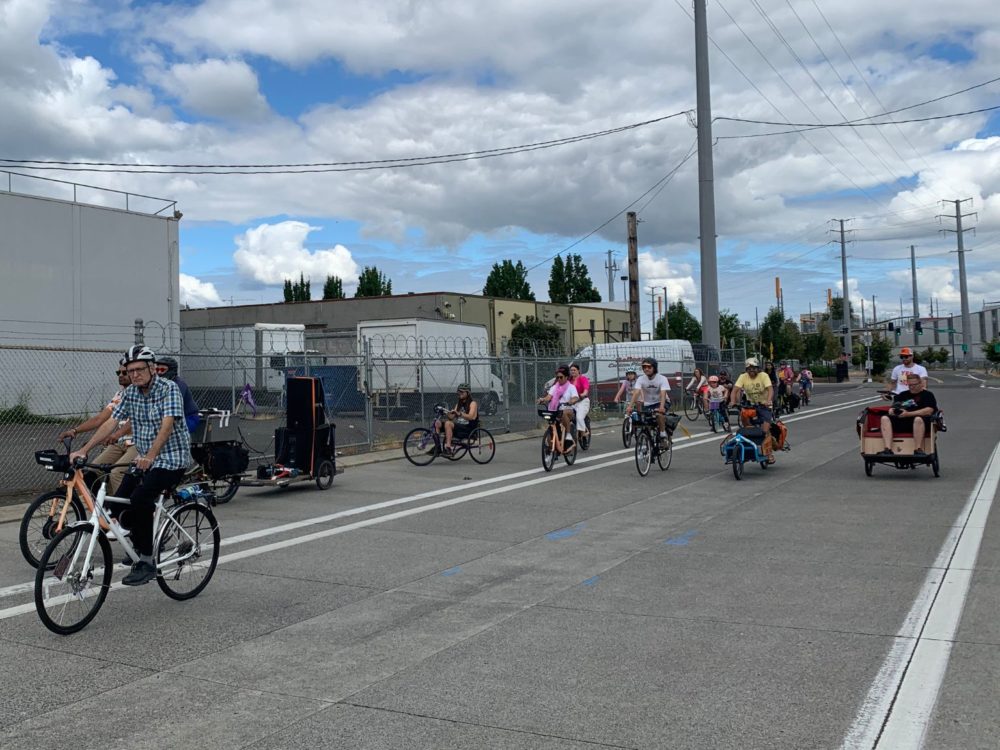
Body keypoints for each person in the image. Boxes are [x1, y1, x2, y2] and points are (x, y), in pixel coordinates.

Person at [72, 345, 192, 587]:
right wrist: (85, 449)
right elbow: (111, 423)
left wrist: (150, 455)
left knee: (140, 498)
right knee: (117, 504)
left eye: (139, 369)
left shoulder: (169, 390)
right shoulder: (131, 394)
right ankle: (138, 538)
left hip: (171, 458)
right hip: (143, 460)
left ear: (151, 368)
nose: (134, 375)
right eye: (130, 371)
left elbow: (166, 427)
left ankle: (146, 561)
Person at [58, 358, 137, 494]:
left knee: (117, 473)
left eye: (125, 372)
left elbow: (134, 423)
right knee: (93, 471)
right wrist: (75, 430)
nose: (121, 376)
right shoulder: (120, 395)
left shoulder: (137, 392)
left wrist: (104, 439)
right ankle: (105, 507)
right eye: (118, 373)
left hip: (137, 441)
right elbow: (101, 419)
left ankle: (124, 511)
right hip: (120, 441)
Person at [878, 373, 938, 456]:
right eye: (909, 385)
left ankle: (918, 449)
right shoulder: (902, 395)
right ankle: (887, 449)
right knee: (884, 418)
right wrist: (892, 410)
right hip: (903, 421)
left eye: (914, 384)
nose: (912, 387)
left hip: (921, 423)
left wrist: (909, 414)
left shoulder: (927, 395)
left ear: (920, 384)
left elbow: (929, 410)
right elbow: (894, 406)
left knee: (918, 419)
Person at [730, 357, 776, 463]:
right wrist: (733, 401)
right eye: (749, 368)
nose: (751, 370)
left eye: (754, 368)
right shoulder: (743, 376)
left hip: (764, 405)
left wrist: (768, 401)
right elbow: (735, 390)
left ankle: (769, 454)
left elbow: (770, 389)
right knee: (748, 428)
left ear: (758, 368)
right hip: (750, 405)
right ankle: (749, 448)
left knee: (765, 431)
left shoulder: (763, 376)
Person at [626, 357, 672, 445]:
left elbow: (663, 394)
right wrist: (630, 407)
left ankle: (663, 435)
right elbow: (636, 393)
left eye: (649, 367)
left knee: (659, 415)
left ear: (654, 367)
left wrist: (661, 407)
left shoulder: (662, 379)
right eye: (644, 367)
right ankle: (649, 441)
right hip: (648, 404)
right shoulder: (641, 379)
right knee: (644, 421)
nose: (646, 369)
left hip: (662, 402)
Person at [155, 356, 201, 432]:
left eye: (162, 370)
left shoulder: (178, 385)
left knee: (170, 433)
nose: (159, 372)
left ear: (171, 370)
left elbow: (171, 405)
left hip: (188, 418)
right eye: (157, 370)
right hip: (174, 418)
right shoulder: (160, 384)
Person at [536, 366, 579, 446]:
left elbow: (575, 397)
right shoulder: (554, 387)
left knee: (564, 413)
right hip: (555, 410)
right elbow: (548, 397)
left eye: (561, 377)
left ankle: (568, 434)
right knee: (551, 428)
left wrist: (571, 401)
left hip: (568, 409)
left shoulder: (571, 387)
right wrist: (542, 400)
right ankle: (550, 451)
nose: (559, 379)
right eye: (557, 377)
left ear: (566, 377)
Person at [439, 383, 479, 453]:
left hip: (468, 429)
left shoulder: (473, 403)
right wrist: (446, 412)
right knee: (438, 423)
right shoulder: (458, 404)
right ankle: (437, 447)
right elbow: (451, 417)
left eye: (462, 392)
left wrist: (460, 414)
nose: (459, 393)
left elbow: (471, 416)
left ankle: (448, 447)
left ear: (468, 393)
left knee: (448, 423)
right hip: (459, 427)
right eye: (459, 392)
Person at [568, 363, 591, 441]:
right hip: (572, 402)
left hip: (582, 401)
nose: (572, 372)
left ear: (578, 371)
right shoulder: (569, 380)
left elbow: (586, 389)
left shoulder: (583, 378)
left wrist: (583, 394)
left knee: (579, 417)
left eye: (574, 370)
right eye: (571, 370)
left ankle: (583, 431)